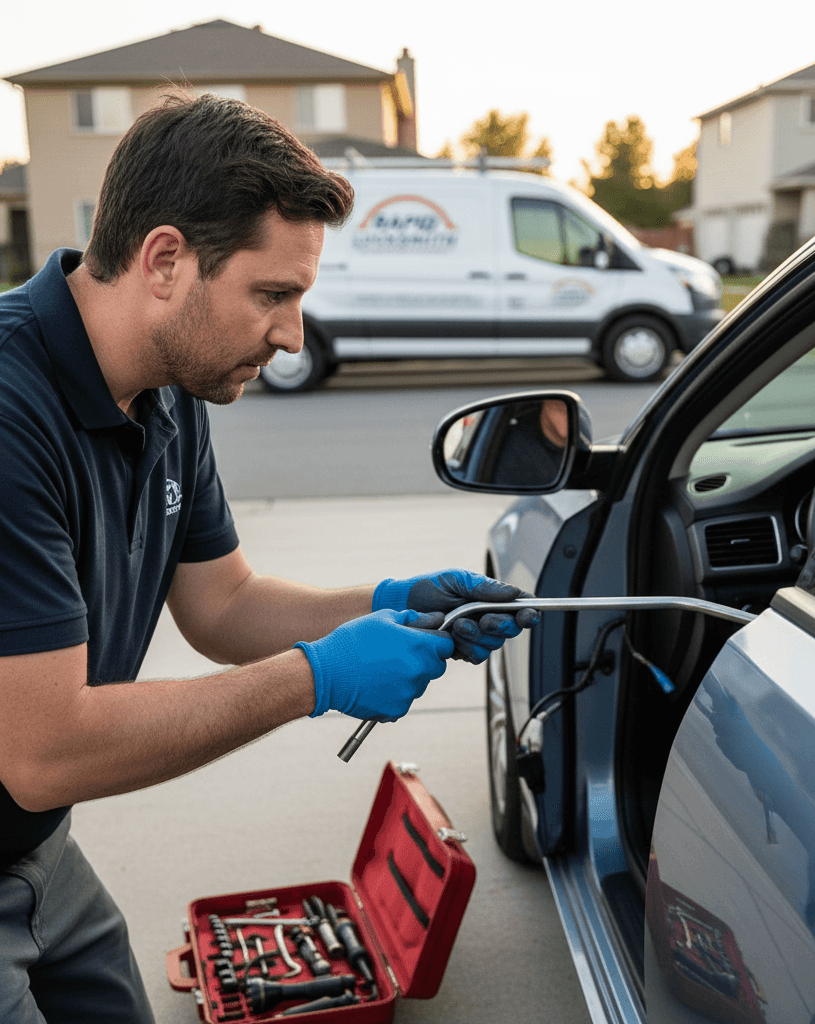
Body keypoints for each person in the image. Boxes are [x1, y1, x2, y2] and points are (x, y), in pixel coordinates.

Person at [0, 93, 536, 1023]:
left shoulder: (169, 393)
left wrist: (393, 601)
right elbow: (42, 752)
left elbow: (224, 605)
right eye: (272, 296)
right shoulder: (10, 415)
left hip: (35, 848)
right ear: (165, 260)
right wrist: (318, 678)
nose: (291, 337)